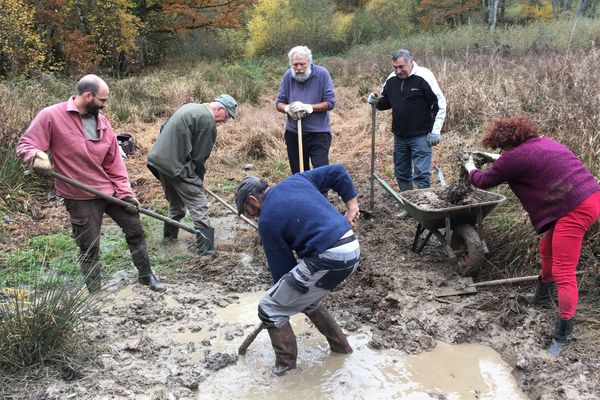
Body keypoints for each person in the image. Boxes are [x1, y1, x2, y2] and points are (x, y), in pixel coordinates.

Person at [462, 115, 600, 357]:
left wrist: (470, 166)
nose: (500, 152)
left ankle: (563, 334)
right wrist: (496, 159)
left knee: (565, 272)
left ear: (508, 143)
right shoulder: (543, 143)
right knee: (547, 248)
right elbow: (521, 161)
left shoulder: (514, 157)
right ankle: (542, 296)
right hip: (587, 197)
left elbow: (482, 181)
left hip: (575, 209)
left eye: (501, 148)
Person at [16, 74, 165, 293]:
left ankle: (146, 276)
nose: (105, 105)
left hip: (110, 191)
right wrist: (36, 156)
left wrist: (125, 193)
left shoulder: (102, 121)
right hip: (80, 195)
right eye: (102, 100)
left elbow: (114, 163)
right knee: (89, 246)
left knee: (135, 228)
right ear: (88, 96)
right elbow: (26, 144)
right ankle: (95, 293)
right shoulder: (51, 116)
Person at [234, 164, 361, 376]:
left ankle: (286, 374)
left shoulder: (267, 220)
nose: (250, 217)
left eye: (246, 211)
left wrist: (279, 301)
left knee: (269, 307)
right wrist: (352, 205)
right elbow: (338, 172)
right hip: (351, 248)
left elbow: (282, 271)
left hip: (329, 255)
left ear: (253, 200)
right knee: (305, 297)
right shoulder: (296, 181)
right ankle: (341, 350)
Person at [147, 94, 237, 254]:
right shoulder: (207, 121)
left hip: (158, 161)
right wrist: (198, 180)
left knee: (176, 205)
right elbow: (199, 157)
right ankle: (206, 248)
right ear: (220, 108)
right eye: (227, 116)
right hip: (176, 166)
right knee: (198, 202)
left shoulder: (190, 107)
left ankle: (169, 239)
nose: (226, 120)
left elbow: (163, 127)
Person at [368, 48, 446, 218]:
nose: (398, 71)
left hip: (421, 136)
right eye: (395, 67)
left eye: (401, 67)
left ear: (412, 61)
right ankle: (409, 207)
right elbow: (385, 102)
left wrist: (435, 131)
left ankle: (424, 208)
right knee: (401, 172)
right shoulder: (391, 79)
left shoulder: (424, 77)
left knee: (421, 174)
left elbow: (439, 104)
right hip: (400, 135)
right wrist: (375, 101)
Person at [275, 46, 336, 175]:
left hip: (318, 133)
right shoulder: (288, 76)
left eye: (302, 64)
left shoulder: (322, 74)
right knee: (299, 173)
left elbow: (330, 102)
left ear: (309, 62)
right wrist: (287, 108)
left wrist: (309, 107)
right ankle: (303, 194)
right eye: (295, 64)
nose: (298, 68)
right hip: (294, 133)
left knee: (321, 171)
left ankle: (321, 195)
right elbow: (279, 102)